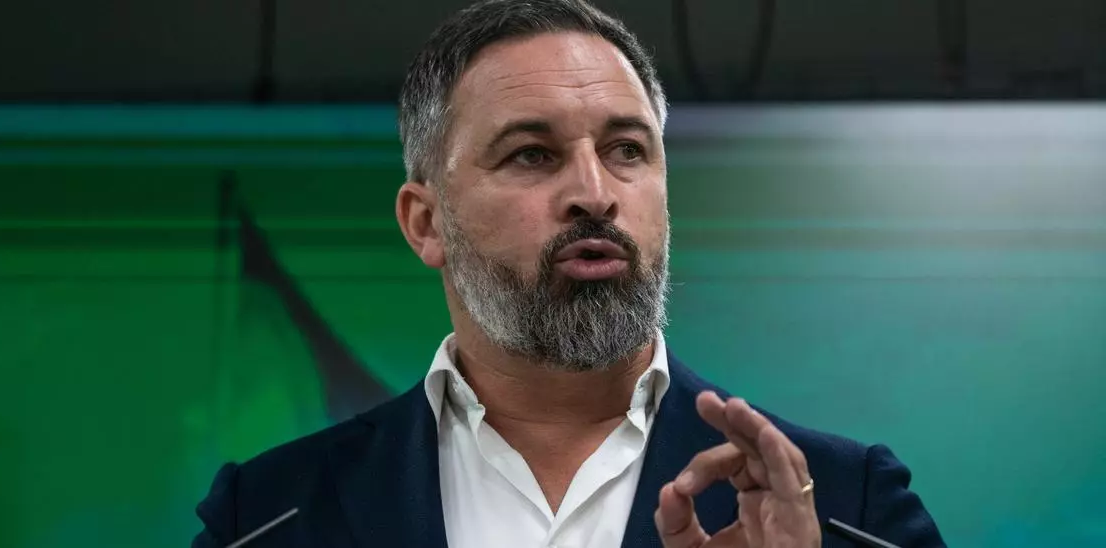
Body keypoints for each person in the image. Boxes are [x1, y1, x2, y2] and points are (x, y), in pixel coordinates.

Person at [192, 0, 945, 546]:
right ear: (426, 223)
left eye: (627, 150)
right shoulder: (266, 519)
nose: (594, 192)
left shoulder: (848, 509)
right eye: (532, 154)